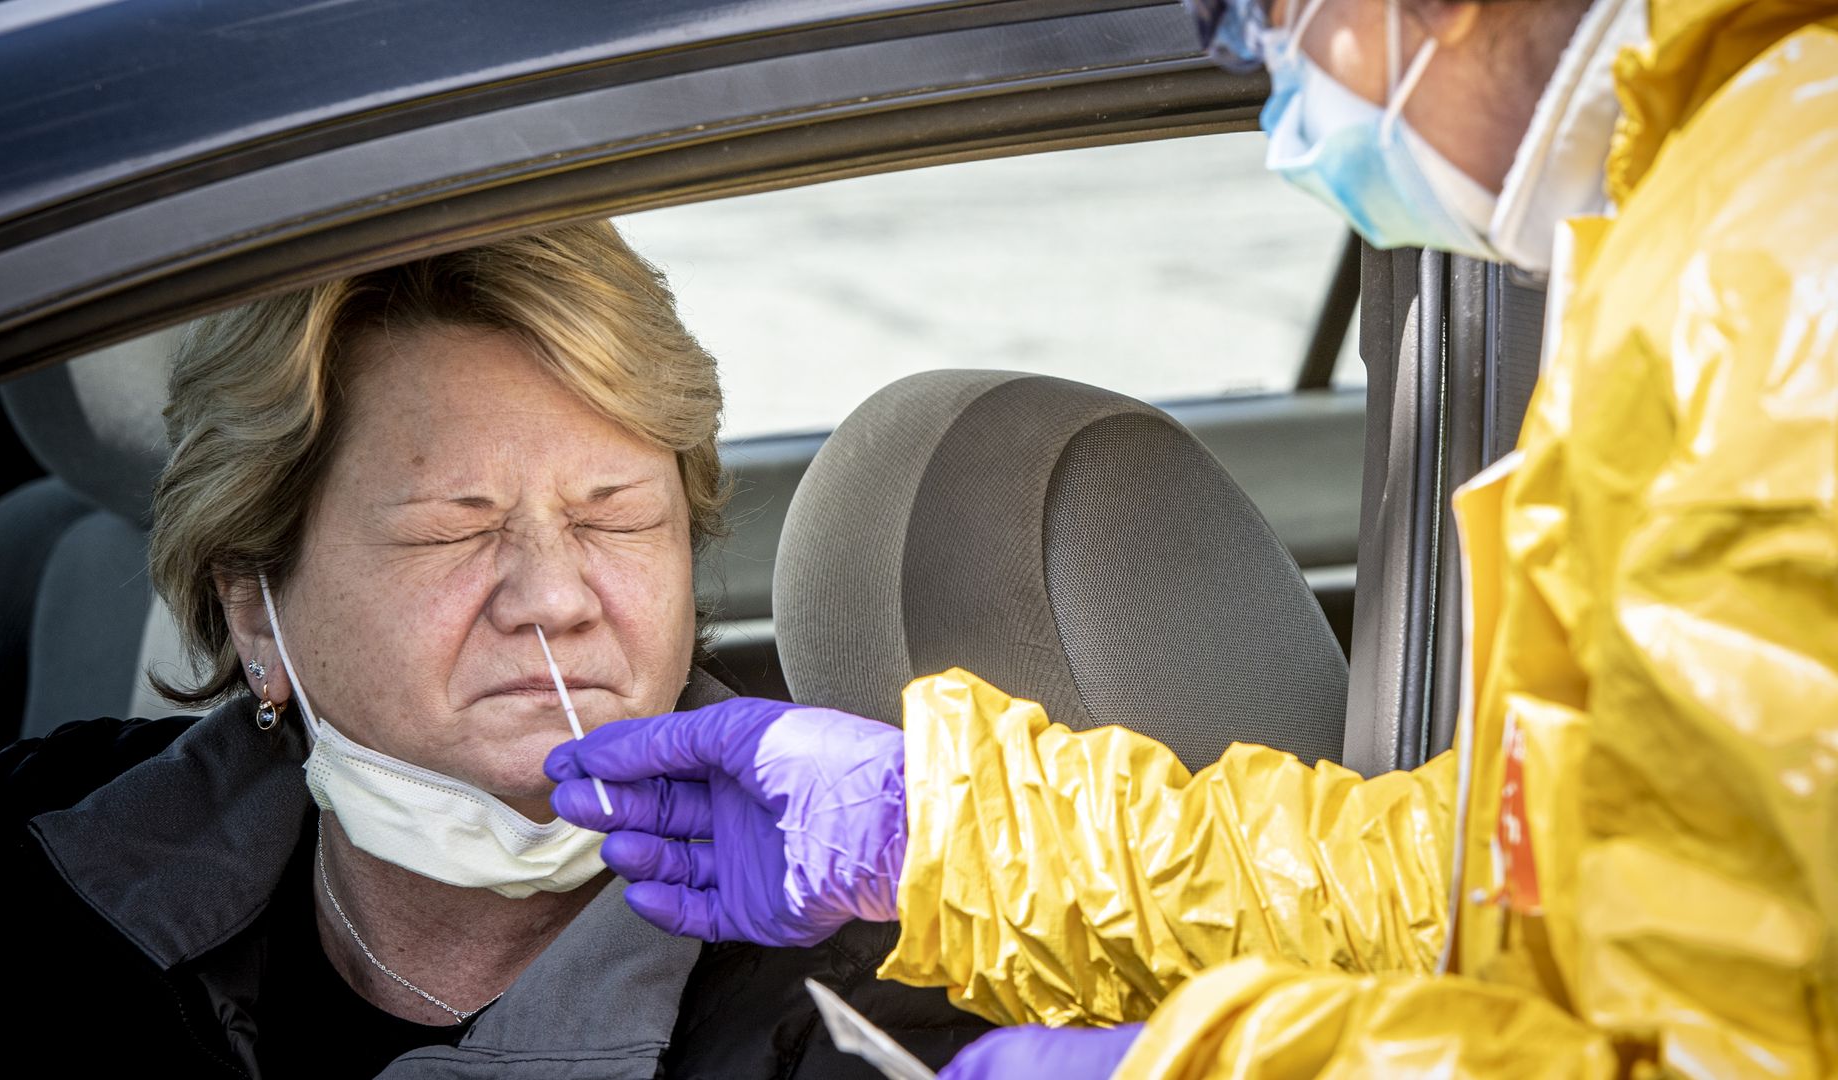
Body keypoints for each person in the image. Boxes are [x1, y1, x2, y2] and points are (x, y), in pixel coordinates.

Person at [545, 0, 1838, 1075]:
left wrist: (1178, 1066)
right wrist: (936, 832)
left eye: (1261, 15)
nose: (1270, 84)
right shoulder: (1728, 217)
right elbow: (1490, 897)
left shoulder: (1778, 299)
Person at [0, 224, 993, 1077]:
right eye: (453, 529)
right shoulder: (49, 857)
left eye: (614, 518)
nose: (555, 599)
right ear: (255, 613)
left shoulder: (858, 986)